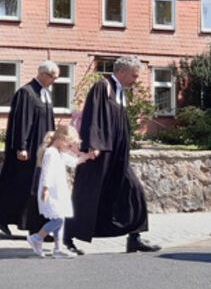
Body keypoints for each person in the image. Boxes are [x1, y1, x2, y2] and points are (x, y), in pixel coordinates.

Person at [65, 55, 161, 255]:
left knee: (133, 190)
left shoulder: (120, 91)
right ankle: (67, 237)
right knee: (88, 195)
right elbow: (93, 114)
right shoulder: (102, 86)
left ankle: (135, 237)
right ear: (121, 71)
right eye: (134, 76)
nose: (135, 81)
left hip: (118, 155)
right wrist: (93, 144)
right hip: (100, 153)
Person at [0, 61, 58, 236]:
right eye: (52, 76)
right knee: (19, 185)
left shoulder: (45, 93)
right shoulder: (26, 93)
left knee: (32, 186)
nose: (54, 81)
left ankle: (29, 222)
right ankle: (3, 217)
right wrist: (22, 146)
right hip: (28, 149)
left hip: (41, 148)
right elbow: (21, 122)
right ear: (42, 74)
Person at [26, 125, 95, 259]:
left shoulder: (59, 153)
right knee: (58, 219)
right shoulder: (51, 152)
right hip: (52, 192)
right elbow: (47, 171)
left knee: (61, 219)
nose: (69, 149)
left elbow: (74, 162)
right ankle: (37, 237)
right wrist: (45, 189)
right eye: (69, 146)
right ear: (62, 139)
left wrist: (86, 156)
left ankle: (58, 248)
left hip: (58, 192)